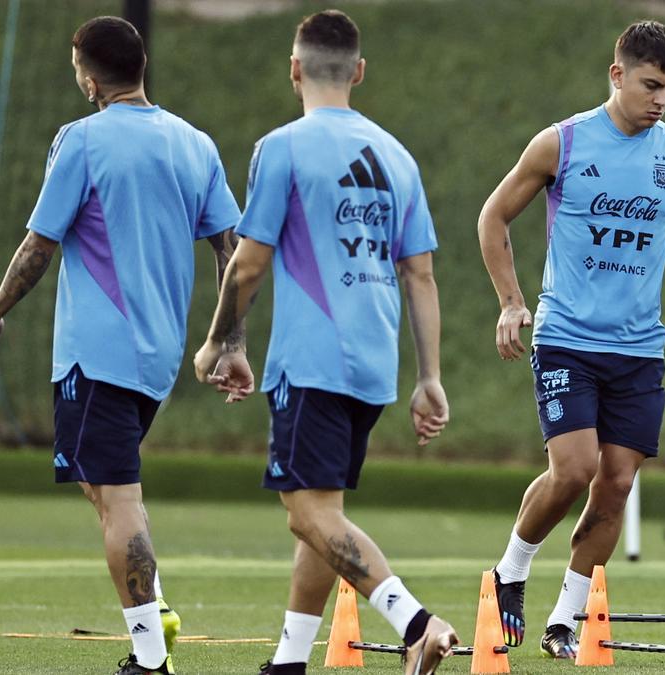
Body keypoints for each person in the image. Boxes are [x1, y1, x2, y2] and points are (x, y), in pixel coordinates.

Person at [0, 16, 243, 675]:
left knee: (114, 497)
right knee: (105, 485)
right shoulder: (195, 144)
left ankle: (150, 656)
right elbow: (231, 249)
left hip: (96, 354)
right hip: (157, 355)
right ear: (141, 64)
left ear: (89, 76)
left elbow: (40, 243)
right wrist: (228, 336)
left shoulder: (81, 141)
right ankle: (157, 609)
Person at [192, 10, 456, 675]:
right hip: (373, 362)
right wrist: (431, 377)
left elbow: (248, 263)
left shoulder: (283, 147)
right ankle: (289, 661)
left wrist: (219, 341)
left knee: (308, 512)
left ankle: (415, 622)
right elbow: (420, 273)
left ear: (293, 69)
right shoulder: (397, 155)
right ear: (359, 72)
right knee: (320, 515)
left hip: (311, 359)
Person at [477, 19, 665, 659]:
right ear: (617, 75)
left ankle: (566, 617)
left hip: (640, 349)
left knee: (615, 483)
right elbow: (494, 216)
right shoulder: (562, 143)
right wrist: (511, 302)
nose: (662, 99)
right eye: (651, 85)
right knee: (575, 469)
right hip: (566, 338)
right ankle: (510, 571)